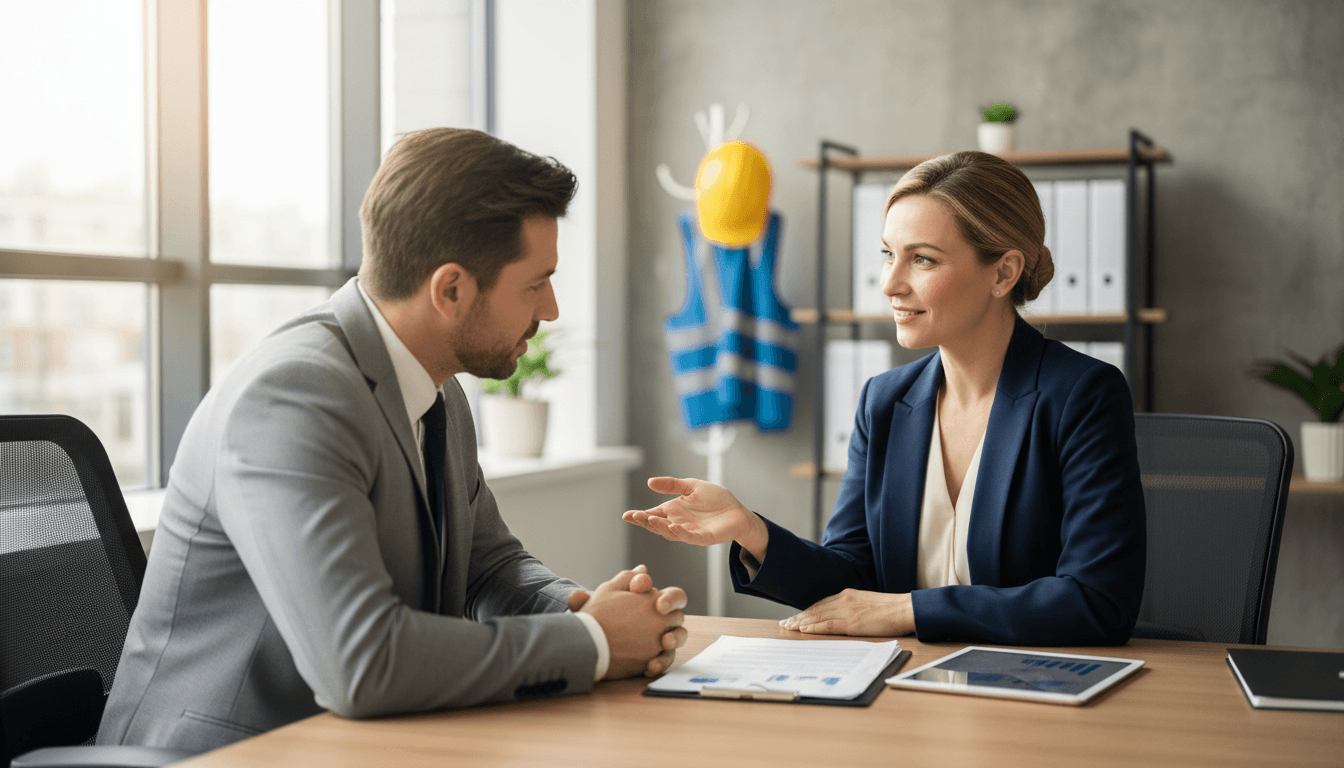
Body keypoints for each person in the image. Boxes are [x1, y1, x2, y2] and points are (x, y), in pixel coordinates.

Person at [98, 128, 687, 753]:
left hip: (356, 744)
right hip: (216, 755)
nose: (551, 310)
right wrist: (595, 644)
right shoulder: (293, 398)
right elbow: (362, 663)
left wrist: (579, 610)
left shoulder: (438, 389)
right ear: (451, 289)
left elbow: (488, 567)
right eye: (535, 284)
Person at [625, 150, 1145, 646]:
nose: (890, 284)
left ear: (1004, 272)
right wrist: (752, 530)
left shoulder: (1082, 395)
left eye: (922, 259)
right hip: (906, 683)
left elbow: (1097, 601)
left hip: (1026, 687)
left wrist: (906, 610)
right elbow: (852, 578)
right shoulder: (885, 401)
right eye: (888, 255)